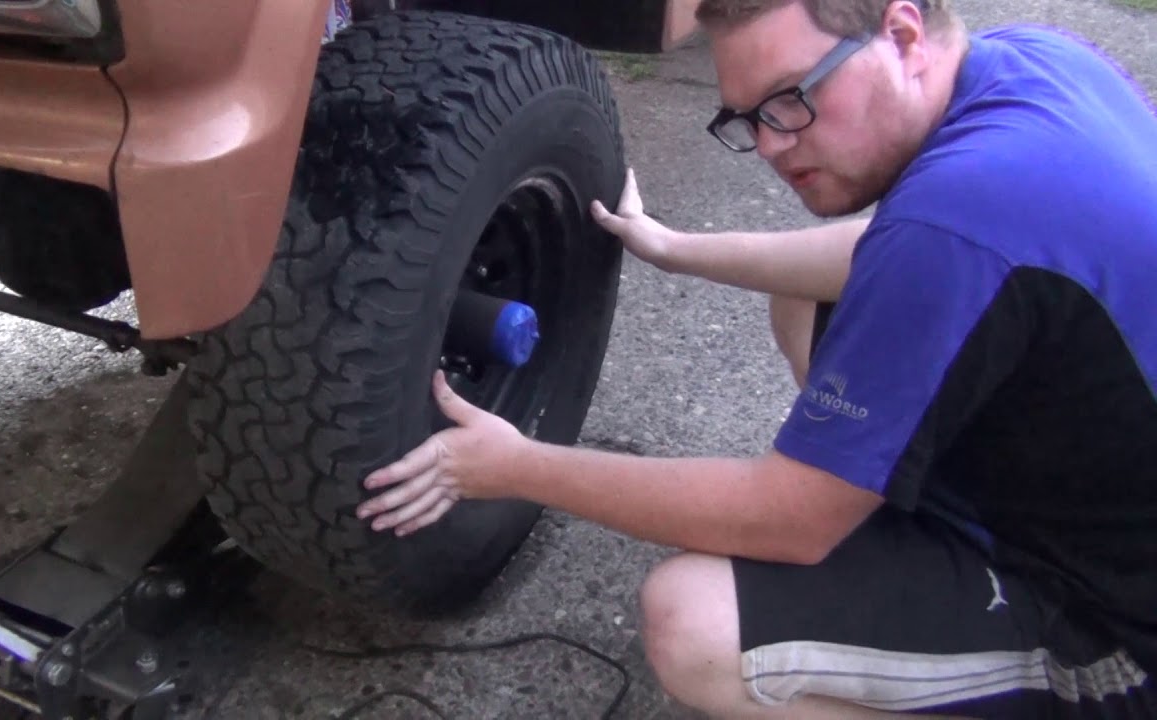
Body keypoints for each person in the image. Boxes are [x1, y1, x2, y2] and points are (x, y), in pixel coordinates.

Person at [357, 0, 1157, 716]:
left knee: (692, 623)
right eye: (747, 118)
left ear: (903, 33)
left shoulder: (958, 220)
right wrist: (673, 247)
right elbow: (878, 255)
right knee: (799, 295)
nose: (772, 145)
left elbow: (790, 522)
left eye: (791, 99)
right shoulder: (1032, 65)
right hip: (1063, 470)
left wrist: (515, 466)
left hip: (1107, 618)